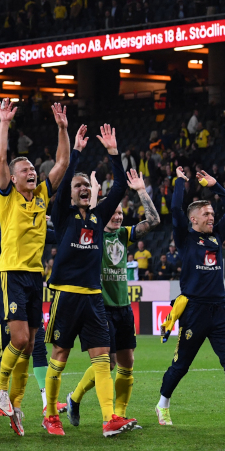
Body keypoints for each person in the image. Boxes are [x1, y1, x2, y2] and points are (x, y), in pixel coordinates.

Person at [41, 124, 137, 437]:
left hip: (94, 297)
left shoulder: (97, 216)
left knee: (102, 358)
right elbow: (65, 177)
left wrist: (113, 152)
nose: (83, 188)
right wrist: (77, 150)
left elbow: (121, 187)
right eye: (78, 185)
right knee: (60, 355)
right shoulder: (63, 215)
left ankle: (110, 418)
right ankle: (51, 414)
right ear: (69, 192)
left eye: (87, 185)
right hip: (66, 295)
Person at [156, 168, 225, 430]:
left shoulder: (216, 236)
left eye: (212, 214)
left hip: (219, 310)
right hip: (194, 310)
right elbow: (175, 210)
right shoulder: (184, 237)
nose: (211, 217)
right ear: (193, 220)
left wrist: (215, 186)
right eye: (206, 214)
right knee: (181, 365)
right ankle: (163, 404)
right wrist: (180, 182)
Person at [0, 100, 70, 436]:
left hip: (34, 277)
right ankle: (0, 390)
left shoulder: (41, 196)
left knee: (31, 342)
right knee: (20, 337)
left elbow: (64, 161)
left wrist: (63, 128)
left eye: (32, 170)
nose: (31, 172)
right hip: (10, 272)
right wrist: (4, 122)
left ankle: (17, 405)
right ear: (12, 177)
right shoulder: (7, 197)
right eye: (25, 170)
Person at [67, 170, 161, 427]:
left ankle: (119, 412)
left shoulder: (124, 235)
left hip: (123, 307)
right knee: (106, 363)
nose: (118, 216)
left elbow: (153, 221)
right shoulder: (93, 234)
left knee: (127, 361)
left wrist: (141, 190)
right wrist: (95, 192)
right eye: (114, 212)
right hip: (100, 308)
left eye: (120, 213)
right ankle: (75, 398)